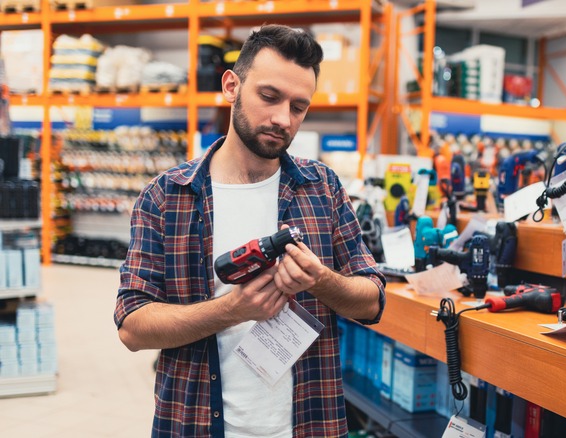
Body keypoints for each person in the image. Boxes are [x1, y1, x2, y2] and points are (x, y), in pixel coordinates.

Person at [114, 24, 385, 437]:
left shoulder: (322, 188)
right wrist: (234, 309)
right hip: (197, 424)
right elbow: (133, 326)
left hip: (308, 425)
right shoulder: (167, 197)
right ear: (231, 86)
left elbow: (372, 300)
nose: (282, 119)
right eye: (269, 97)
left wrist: (322, 281)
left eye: (298, 107)